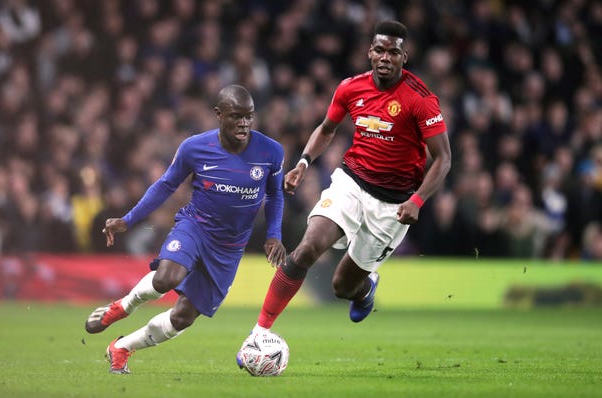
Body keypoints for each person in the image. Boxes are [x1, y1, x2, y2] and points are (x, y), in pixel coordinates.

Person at [238, 20, 451, 360]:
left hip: (393, 206)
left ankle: (365, 289)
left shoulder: (420, 99)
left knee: (343, 286)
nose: (385, 57)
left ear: (404, 57)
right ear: (369, 52)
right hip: (351, 183)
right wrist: (304, 163)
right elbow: (326, 129)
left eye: (393, 52)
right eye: (379, 49)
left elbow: (443, 159)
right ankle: (259, 332)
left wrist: (418, 199)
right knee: (306, 248)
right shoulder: (351, 88)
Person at [84, 84, 286, 374]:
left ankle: (122, 347)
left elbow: (275, 194)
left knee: (183, 318)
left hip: (229, 248)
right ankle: (123, 306)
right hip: (195, 227)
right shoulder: (195, 148)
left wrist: (273, 235)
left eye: (249, 116)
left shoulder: (271, 151)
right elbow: (165, 185)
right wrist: (128, 220)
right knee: (167, 277)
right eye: (236, 116)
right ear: (218, 115)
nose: (244, 123)